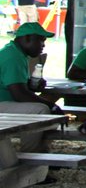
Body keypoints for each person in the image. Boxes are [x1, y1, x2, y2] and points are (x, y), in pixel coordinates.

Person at [0, 22, 63, 150]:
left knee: (47, 114)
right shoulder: (13, 56)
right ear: (27, 38)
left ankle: (41, 150)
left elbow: (17, 86)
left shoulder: (16, 52)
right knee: (41, 110)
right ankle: (30, 153)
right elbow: (19, 95)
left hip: (5, 102)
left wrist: (31, 85)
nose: (43, 45)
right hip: (2, 104)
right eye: (41, 40)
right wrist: (52, 105)